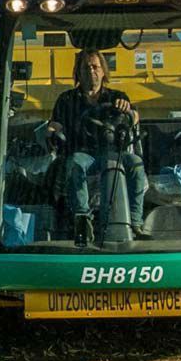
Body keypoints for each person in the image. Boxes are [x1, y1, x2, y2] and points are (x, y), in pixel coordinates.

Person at [46, 49, 148, 243]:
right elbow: (55, 124)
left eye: (95, 66)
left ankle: (135, 222)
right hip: (84, 154)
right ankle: (82, 220)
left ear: (103, 72)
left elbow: (134, 118)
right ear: (77, 72)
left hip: (114, 153)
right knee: (75, 162)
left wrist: (129, 111)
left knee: (135, 163)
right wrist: (52, 130)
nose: (91, 71)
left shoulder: (118, 96)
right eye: (85, 67)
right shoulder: (66, 100)